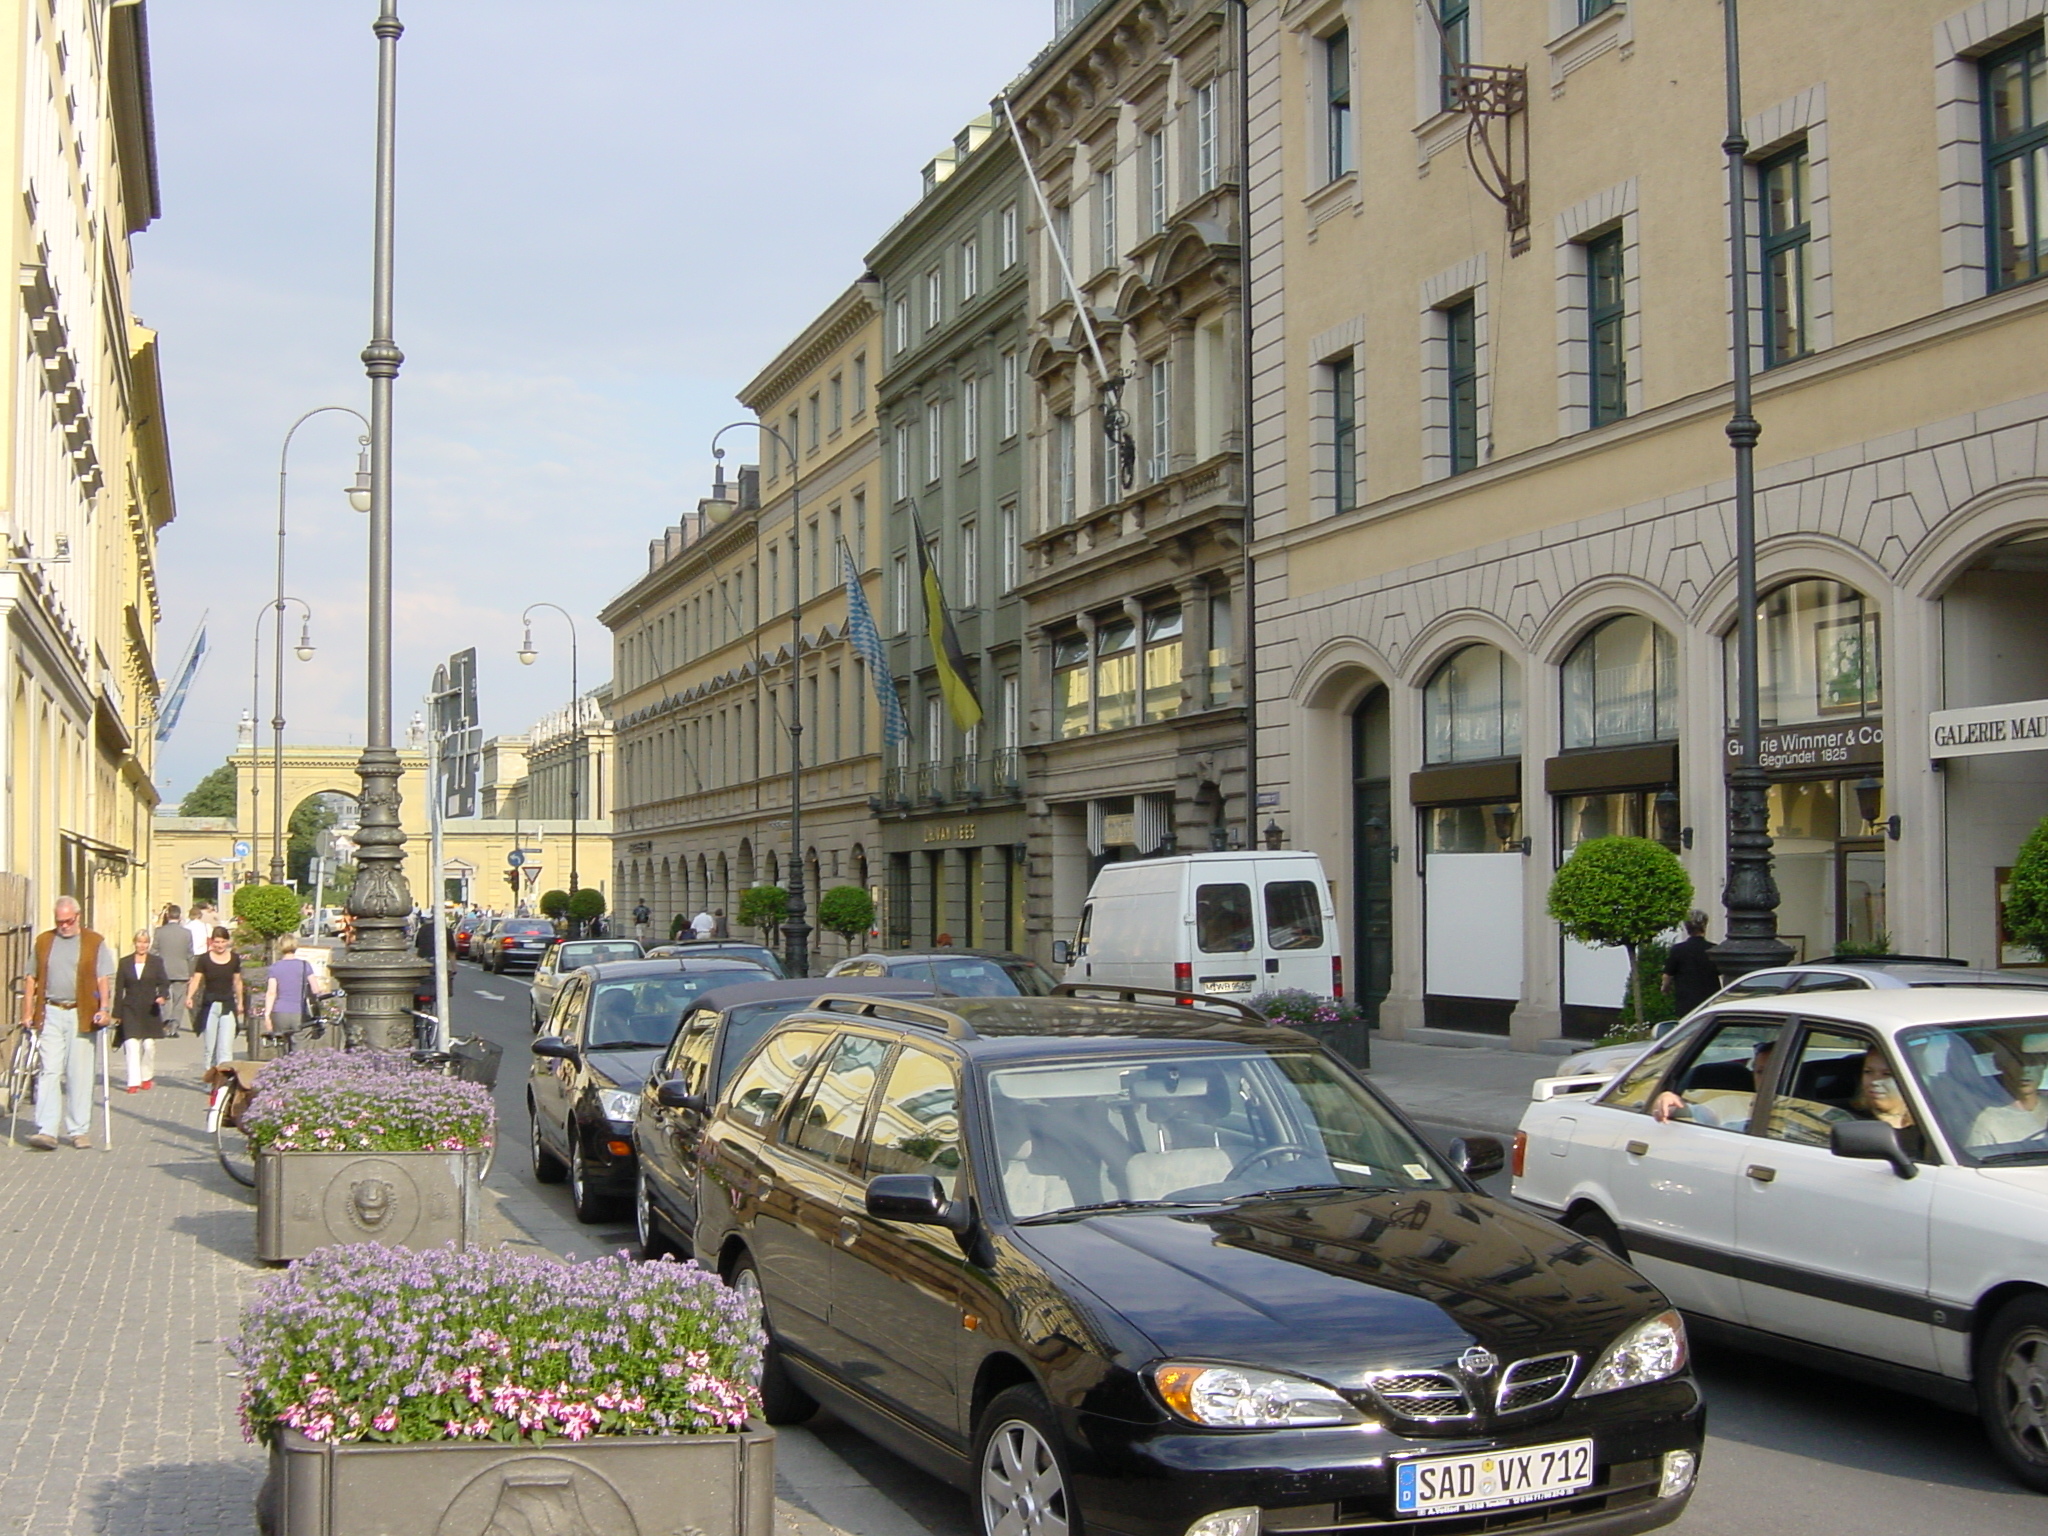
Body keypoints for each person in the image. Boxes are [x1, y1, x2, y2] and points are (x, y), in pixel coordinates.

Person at [20, 896, 114, 1150]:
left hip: (81, 1013)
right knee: (49, 1070)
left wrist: (104, 1009)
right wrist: (28, 1011)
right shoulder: (44, 941)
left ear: (78, 917)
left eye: (68, 921)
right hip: (51, 1011)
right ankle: (47, 1130)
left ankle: (78, 1130)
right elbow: (31, 978)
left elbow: (102, 978)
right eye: (59, 921)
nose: (63, 926)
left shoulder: (94, 941)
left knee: (79, 1073)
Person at [113, 929, 170, 1092]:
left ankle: (146, 1076)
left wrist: (162, 996)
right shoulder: (124, 962)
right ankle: (133, 1082)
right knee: (131, 1044)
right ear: (134, 943)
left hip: (150, 1009)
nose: (142, 945)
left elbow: (164, 983)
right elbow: (118, 989)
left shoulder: (156, 962)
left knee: (149, 1045)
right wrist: (117, 1014)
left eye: (145, 942)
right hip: (130, 1008)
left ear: (149, 944)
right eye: (139, 942)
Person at [1968, 1039, 2047, 1148]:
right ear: (2000, 1064)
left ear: (2044, 1064)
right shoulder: (1990, 1121)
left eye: (2033, 1061)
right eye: (2018, 1062)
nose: (2025, 1070)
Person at [187, 926, 245, 1072]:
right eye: (216, 942)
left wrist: (240, 1002)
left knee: (225, 1048)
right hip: (210, 1006)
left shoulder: (234, 959)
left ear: (227, 942)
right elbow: (196, 980)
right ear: (212, 942)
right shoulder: (204, 959)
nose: (219, 945)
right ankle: (211, 1080)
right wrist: (189, 997)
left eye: (223, 942)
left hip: (228, 1005)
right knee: (210, 1047)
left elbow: (237, 982)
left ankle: (224, 1081)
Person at [264, 935, 319, 1048]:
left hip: (280, 1012)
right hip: (300, 1012)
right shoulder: (305, 965)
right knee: (300, 1049)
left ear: (280, 947)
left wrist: (267, 1015)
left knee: (281, 1048)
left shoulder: (275, 967)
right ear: (296, 946)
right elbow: (315, 989)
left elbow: (271, 993)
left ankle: (283, 1064)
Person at [1662, 911, 1721, 1017]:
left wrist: (1665, 988)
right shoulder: (1714, 950)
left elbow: (1668, 975)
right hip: (1710, 1001)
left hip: (1686, 1001)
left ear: (1687, 928)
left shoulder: (1678, 950)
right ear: (1704, 926)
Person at [152, 904, 194, 1036]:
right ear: (180, 916)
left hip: (163, 970)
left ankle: (165, 1022)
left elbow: (153, 951)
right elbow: (190, 954)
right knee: (179, 1000)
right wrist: (191, 972)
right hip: (181, 970)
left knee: (164, 997)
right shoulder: (186, 933)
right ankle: (175, 1026)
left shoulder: (159, 932)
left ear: (167, 915)